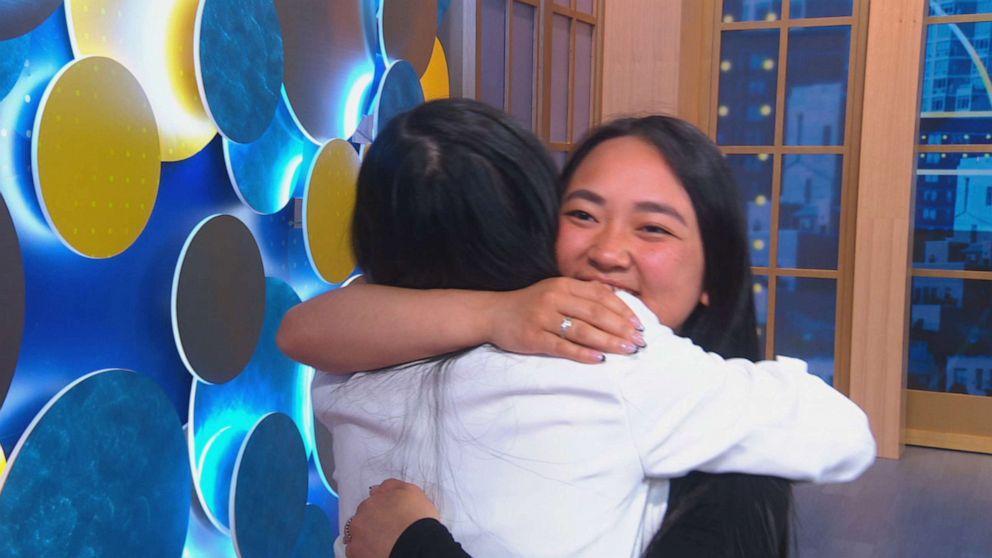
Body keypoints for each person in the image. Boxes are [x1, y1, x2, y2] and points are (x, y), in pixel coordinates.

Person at [291, 100, 876, 558]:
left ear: (714, 272)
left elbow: (306, 330)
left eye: (653, 228)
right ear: (535, 219)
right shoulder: (615, 359)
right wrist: (497, 313)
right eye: (582, 214)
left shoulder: (347, 369)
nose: (608, 251)